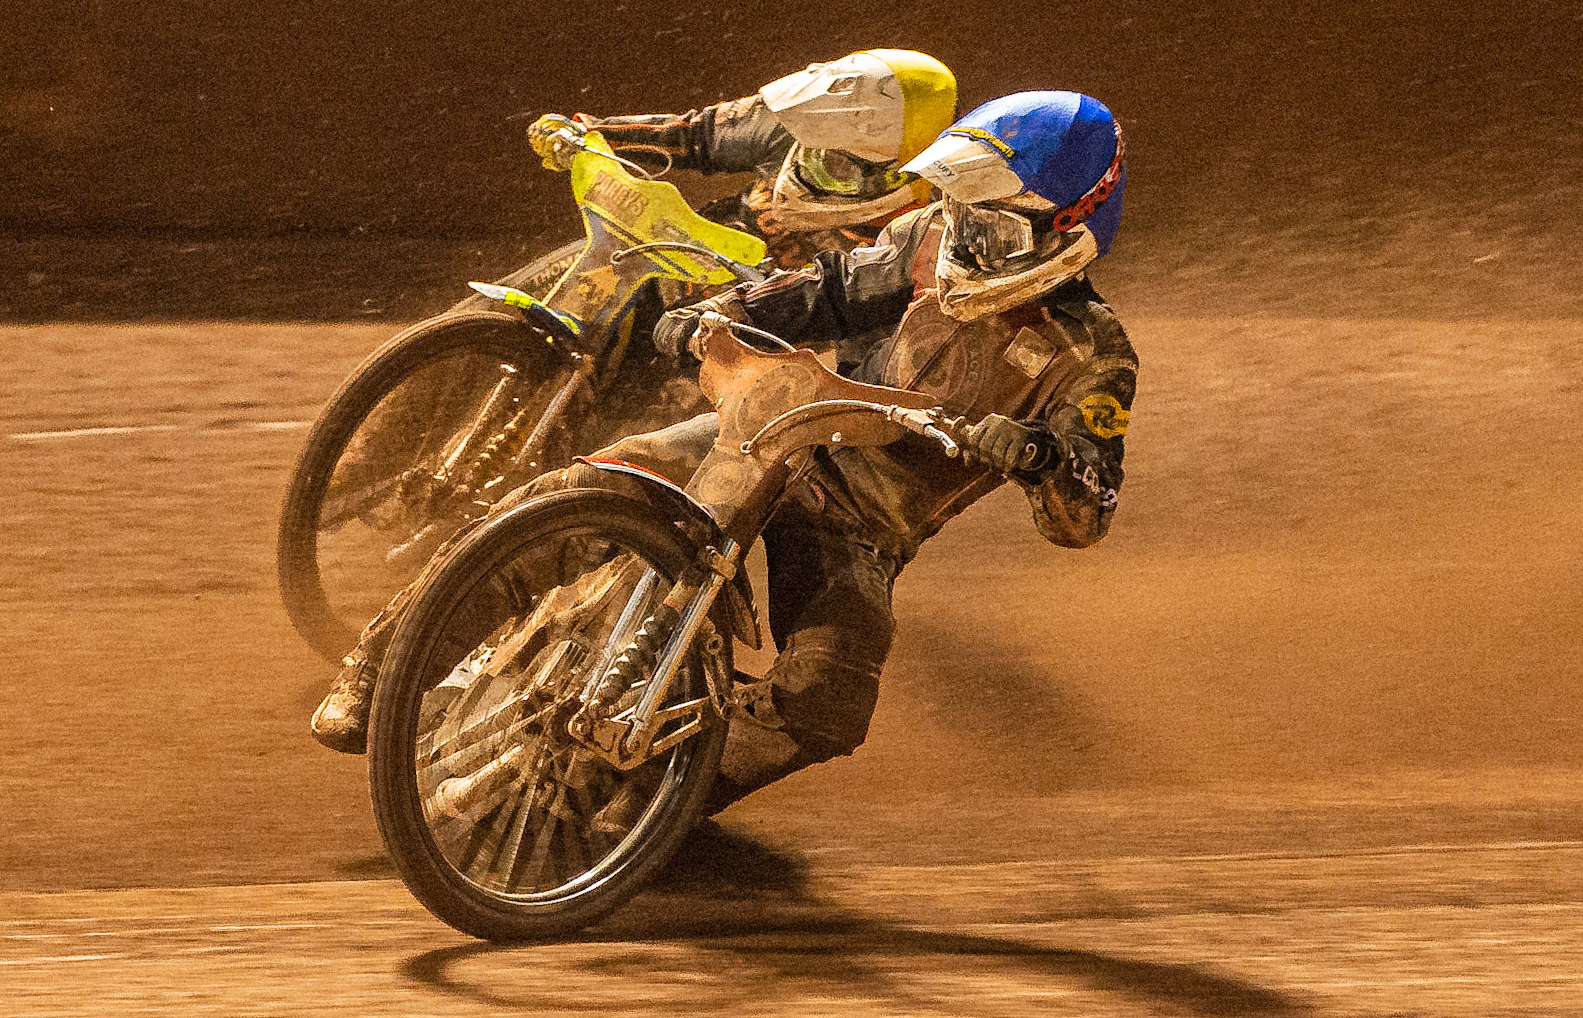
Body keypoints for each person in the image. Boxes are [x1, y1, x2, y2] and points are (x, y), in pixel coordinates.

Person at [313, 91, 1136, 788]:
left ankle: (652, 802)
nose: (964, 236)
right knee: (590, 487)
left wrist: (1041, 458)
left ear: (1067, 229)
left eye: (992, 226)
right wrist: (727, 313)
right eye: (962, 211)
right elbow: (831, 288)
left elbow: (1083, 514)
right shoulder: (926, 242)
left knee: (825, 700)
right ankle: (377, 667)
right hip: (777, 429)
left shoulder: (1092, 358)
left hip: (859, 524)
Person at [536, 49, 957, 270]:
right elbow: (696, 134)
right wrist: (592, 131)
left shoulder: (925, 230)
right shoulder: (787, 124)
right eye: (817, 147)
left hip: (750, 336)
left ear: (893, 172)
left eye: (839, 163)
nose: (816, 158)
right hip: (668, 249)